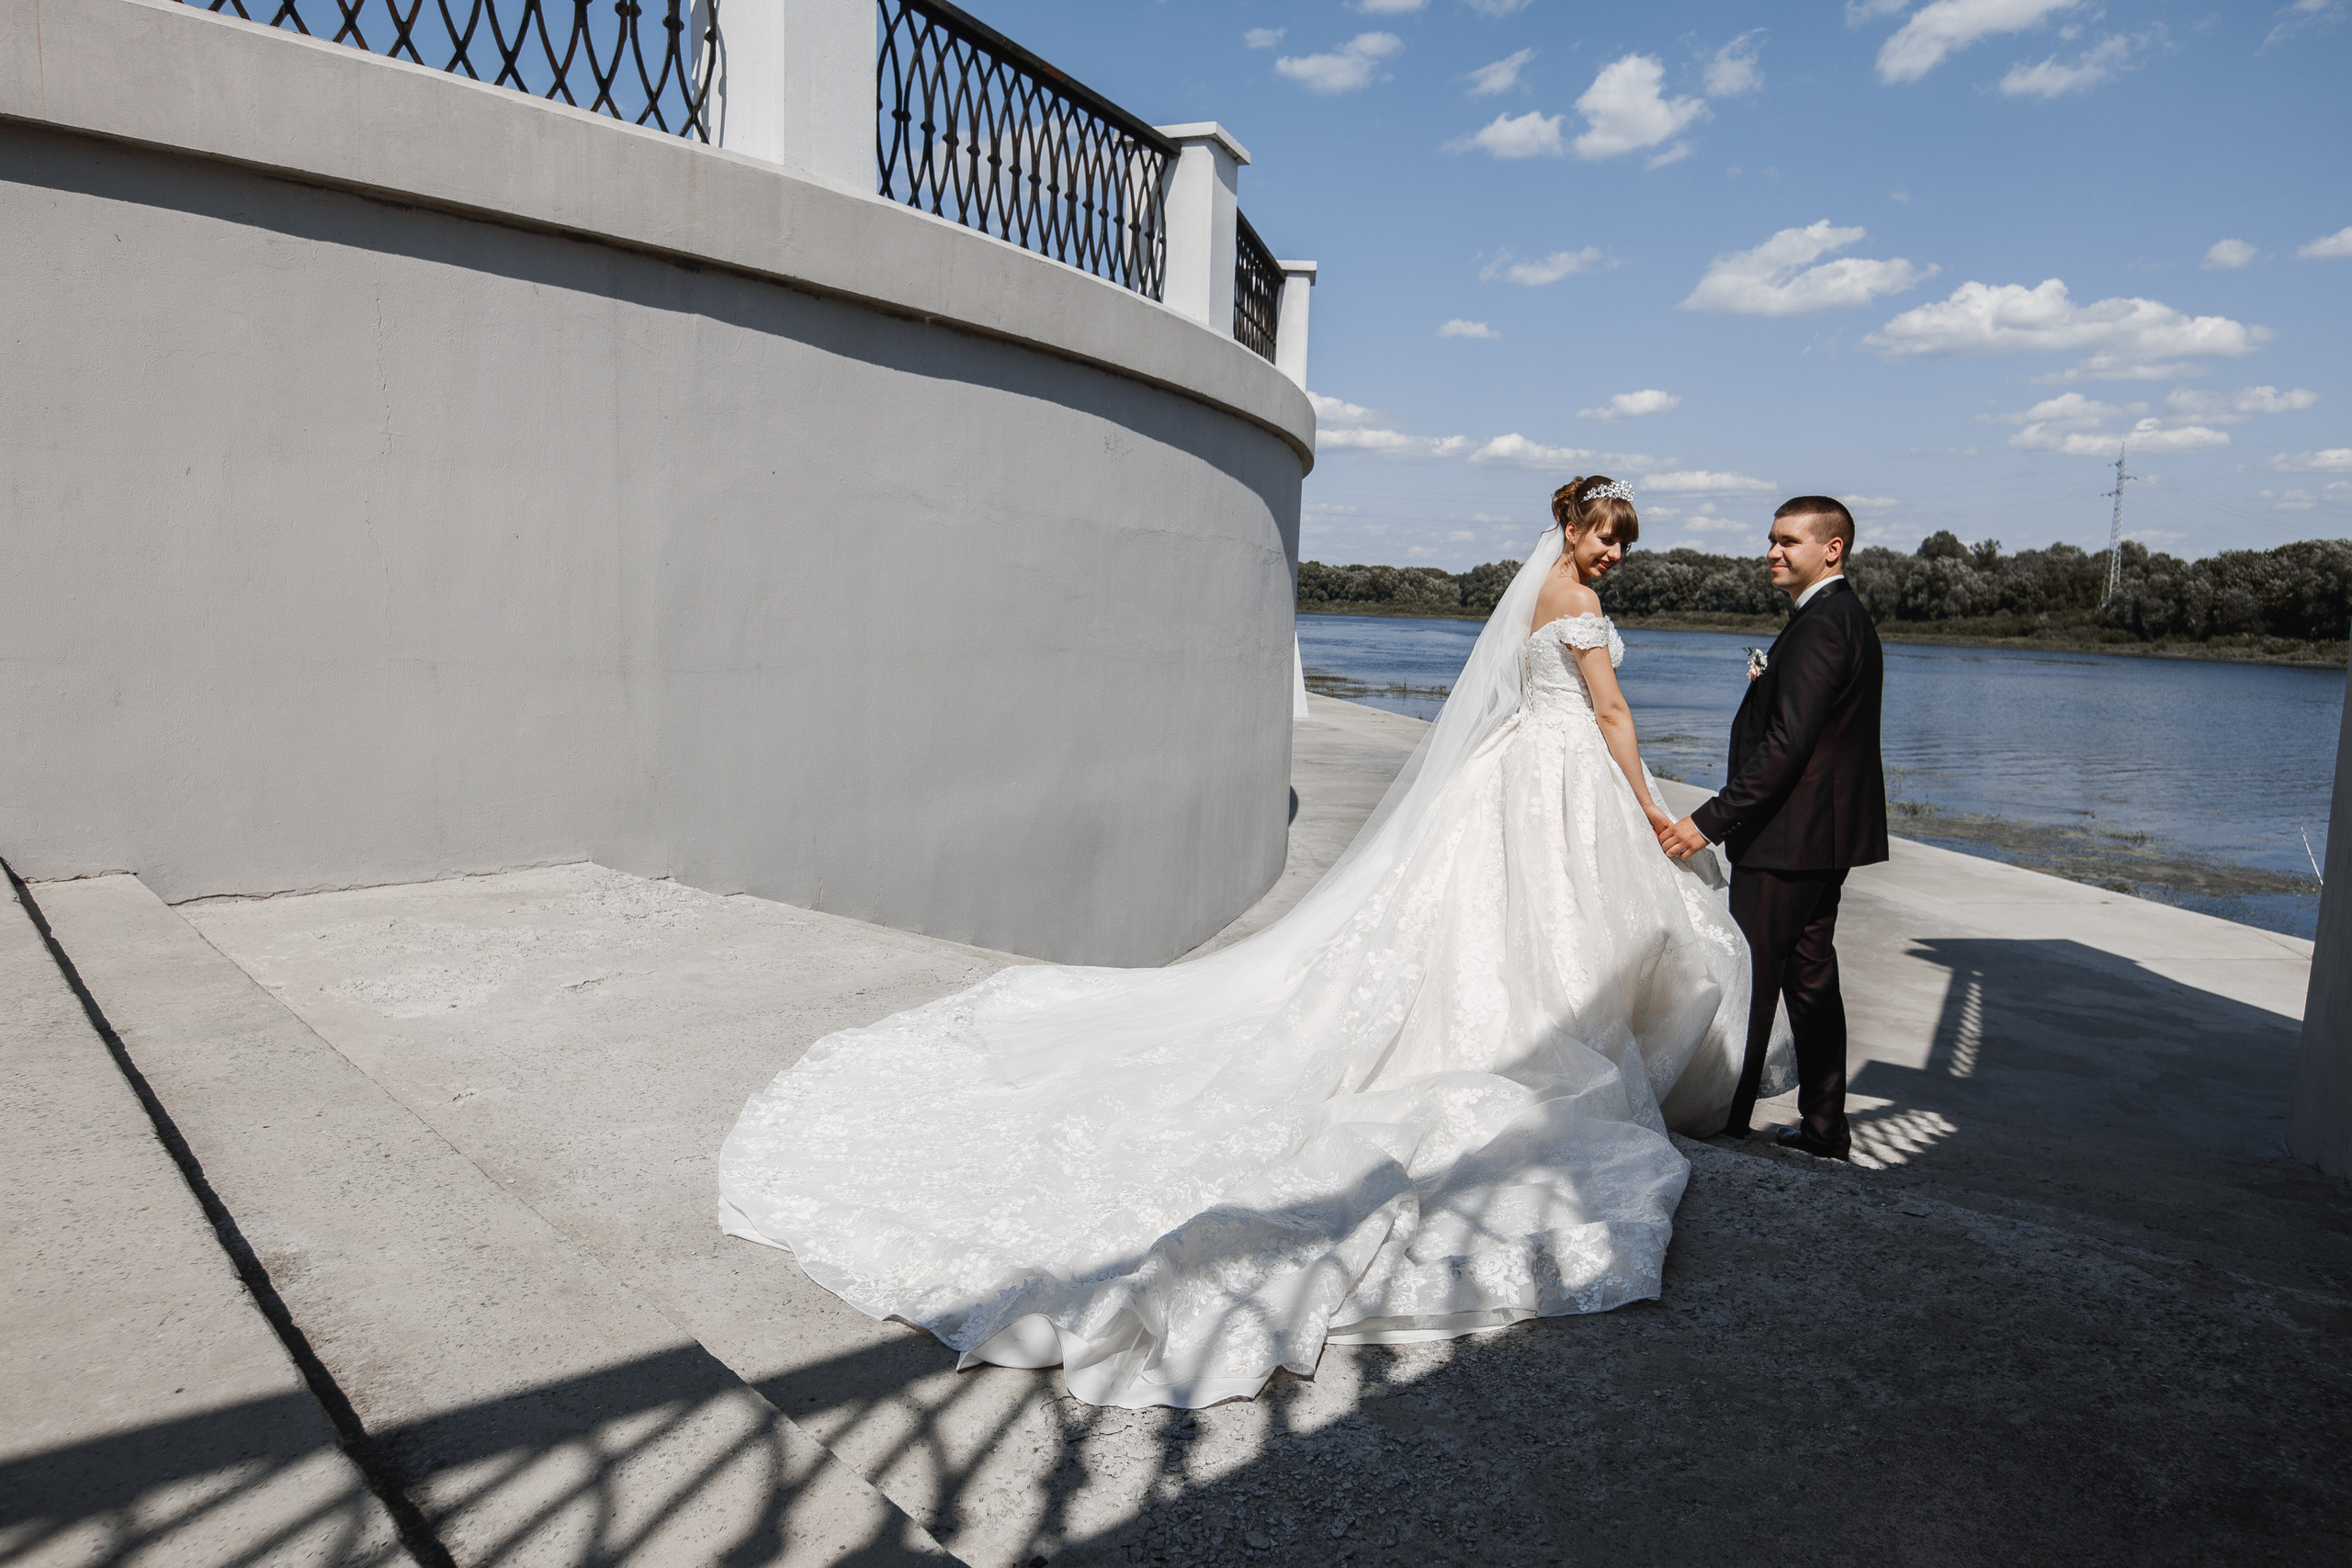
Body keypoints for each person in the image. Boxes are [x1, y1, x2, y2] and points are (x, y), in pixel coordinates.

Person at [718, 477, 1788, 1409]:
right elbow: (1607, 716)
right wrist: (1649, 803)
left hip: (1513, 771)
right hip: (1561, 775)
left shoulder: (1534, 600)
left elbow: (1518, 694)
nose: (1611, 554)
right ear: (1570, 527)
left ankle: (1543, 1024)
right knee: (1566, 914)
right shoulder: (1583, 607)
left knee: (1501, 914)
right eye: (1605, 534)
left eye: (1620, 541)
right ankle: (1562, 1040)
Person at [1658, 496, 1889, 1160]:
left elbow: (1787, 747)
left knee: (1750, 979)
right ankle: (1824, 1129)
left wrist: (1708, 821)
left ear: (1832, 549)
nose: (1773, 552)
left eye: (1788, 541)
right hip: (1825, 837)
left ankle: (1728, 1122)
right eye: (1771, 540)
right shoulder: (1841, 617)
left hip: (1789, 837)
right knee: (1811, 979)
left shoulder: (1821, 626)